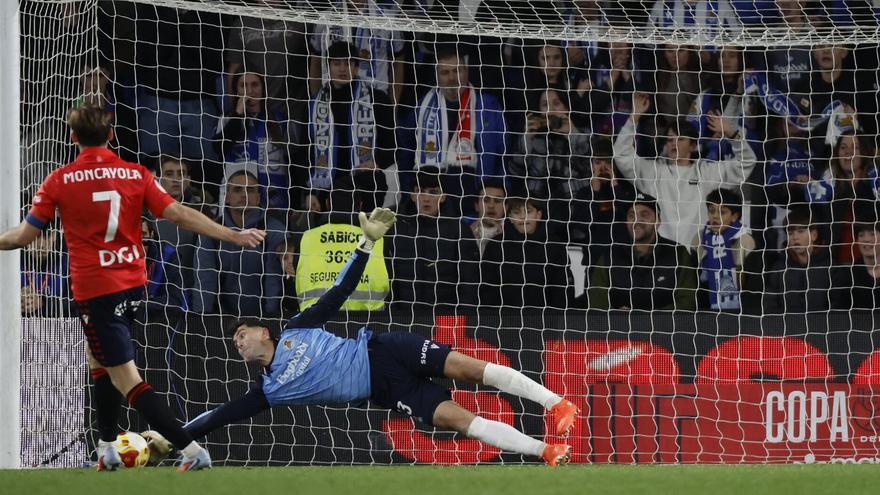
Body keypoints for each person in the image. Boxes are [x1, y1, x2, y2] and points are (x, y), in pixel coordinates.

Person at [148, 208, 578, 466]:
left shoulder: (298, 326)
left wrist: (367, 244)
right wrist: (174, 435)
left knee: (468, 368)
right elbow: (220, 415)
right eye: (234, 342)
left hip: (385, 348)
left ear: (264, 331)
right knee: (456, 421)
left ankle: (557, 404)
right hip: (386, 388)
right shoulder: (269, 391)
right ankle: (546, 451)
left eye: (241, 334)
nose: (238, 343)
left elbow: (339, 291)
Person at [0, 105, 266, 471]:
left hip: (95, 289)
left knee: (126, 378)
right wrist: (231, 234)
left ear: (73, 138)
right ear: (111, 135)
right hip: (131, 288)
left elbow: (24, 236)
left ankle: (191, 449)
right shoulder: (135, 173)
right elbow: (179, 213)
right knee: (100, 362)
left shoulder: (59, 180)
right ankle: (107, 447)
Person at [614, 92, 758, 247]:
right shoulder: (653, 172)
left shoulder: (707, 173)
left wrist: (730, 132)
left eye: (680, 139)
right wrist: (634, 117)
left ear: (693, 145)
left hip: (697, 255)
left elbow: (747, 161)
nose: (673, 144)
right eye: (670, 140)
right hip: (662, 255)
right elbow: (621, 154)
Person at [192, 170, 286, 318]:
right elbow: (205, 280)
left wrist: (271, 319)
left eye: (250, 190)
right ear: (227, 197)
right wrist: (202, 319)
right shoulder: (210, 231)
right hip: (220, 319)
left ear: (258, 198)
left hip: (263, 318)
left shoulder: (274, 230)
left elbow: (273, 281)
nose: (244, 195)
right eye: (237, 190)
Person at [388, 168, 479, 313]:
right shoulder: (394, 228)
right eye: (420, 191)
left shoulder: (458, 230)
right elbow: (388, 274)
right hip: (403, 317)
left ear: (443, 197)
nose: (426, 198)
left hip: (446, 319)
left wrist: (465, 317)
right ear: (412, 195)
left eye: (433, 192)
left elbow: (469, 280)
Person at [589, 193, 698, 311]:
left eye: (644, 215)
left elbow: (688, 301)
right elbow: (597, 303)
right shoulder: (609, 257)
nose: (637, 221)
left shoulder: (678, 253)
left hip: (666, 328)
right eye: (631, 216)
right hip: (621, 328)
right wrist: (617, 317)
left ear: (657, 221)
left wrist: (648, 320)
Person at [691, 188, 757, 311]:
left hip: (741, 308)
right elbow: (694, 276)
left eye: (722, 212)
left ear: (734, 217)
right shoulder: (699, 238)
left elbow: (753, 281)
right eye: (711, 211)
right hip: (706, 307)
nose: (715, 216)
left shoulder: (745, 240)